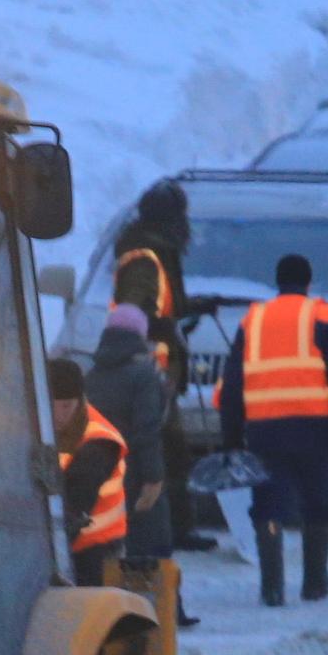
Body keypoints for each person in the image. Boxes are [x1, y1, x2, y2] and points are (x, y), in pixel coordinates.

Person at [218, 254, 328, 607]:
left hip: (265, 429)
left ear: (277, 282)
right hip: (315, 427)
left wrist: (232, 435)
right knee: (318, 502)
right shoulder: (325, 317)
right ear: (309, 282)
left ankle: (271, 588)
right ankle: (314, 583)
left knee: (268, 504)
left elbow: (233, 382)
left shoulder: (253, 319)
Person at [109, 182, 218, 556]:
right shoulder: (144, 258)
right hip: (149, 371)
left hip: (157, 371)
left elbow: (160, 304)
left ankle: (176, 529)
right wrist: (168, 329)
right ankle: (159, 534)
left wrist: (194, 306)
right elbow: (134, 311)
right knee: (160, 456)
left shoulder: (156, 251)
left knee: (173, 453)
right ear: (172, 220)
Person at [87, 304, 197, 626]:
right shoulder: (143, 374)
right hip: (136, 472)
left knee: (110, 546)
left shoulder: (92, 374)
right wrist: (153, 477)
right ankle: (166, 610)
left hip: (100, 473)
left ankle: (117, 612)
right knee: (153, 544)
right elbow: (146, 430)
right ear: (139, 335)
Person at [50, 358, 128, 587]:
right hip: (71, 545)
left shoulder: (97, 444)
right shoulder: (39, 427)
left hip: (96, 552)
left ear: (80, 401)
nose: (58, 414)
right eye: (52, 405)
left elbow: (74, 504)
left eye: (66, 406)